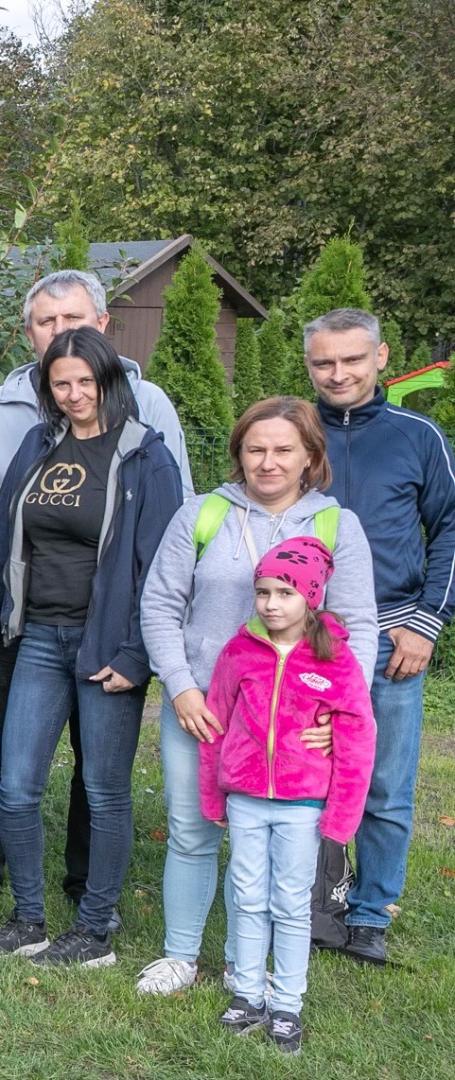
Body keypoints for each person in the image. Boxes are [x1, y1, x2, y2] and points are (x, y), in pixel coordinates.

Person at [0, 268, 194, 911]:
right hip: (31, 628)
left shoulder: (147, 437)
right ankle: (5, 894)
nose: (75, 390)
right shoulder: (24, 428)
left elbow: (168, 548)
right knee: (8, 767)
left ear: (105, 343)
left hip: (106, 631)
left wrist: (140, 649)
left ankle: (92, 906)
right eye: (48, 325)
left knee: (100, 777)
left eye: (84, 376)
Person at [135, 398, 376, 994]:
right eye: (255, 449)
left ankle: (262, 969)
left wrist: (340, 714)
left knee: (275, 845)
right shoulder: (201, 515)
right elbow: (161, 605)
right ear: (239, 452)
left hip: (294, 721)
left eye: (283, 450)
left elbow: (360, 625)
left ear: (309, 458)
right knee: (192, 830)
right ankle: (180, 956)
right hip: (204, 710)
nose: (268, 462)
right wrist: (182, 687)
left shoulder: (334, 525)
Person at [302, 307, 455, 965]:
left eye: (351, 360)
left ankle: (370, 914)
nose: (338, 374)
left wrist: (427, 622)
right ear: (309, 365)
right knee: (308, 776)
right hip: (305, 639)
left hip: (394, 639)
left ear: (381, 357)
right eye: (324, 362)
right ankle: (314, 905)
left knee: (384, 785)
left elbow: (451, 526)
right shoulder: (292, 431)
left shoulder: (418, 435)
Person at [202, 537, 375, 1055]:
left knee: (292, 905)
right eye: (262, 592)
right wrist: (214, 799)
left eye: (284, 593)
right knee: (248, 897)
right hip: (246, 800)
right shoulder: (239, 652)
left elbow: (357, 739)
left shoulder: (335, 660)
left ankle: (287, 1006)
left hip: (302, 805)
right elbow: (214, 725)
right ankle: (248, 996)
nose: (271, 604)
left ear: (312, 597)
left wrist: (342, 818)